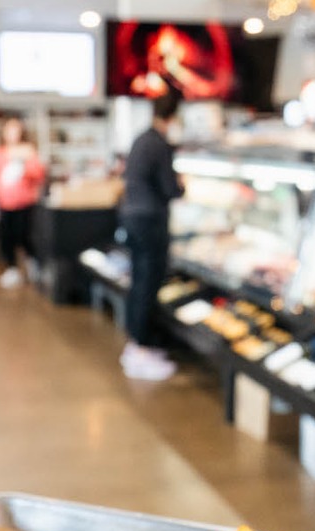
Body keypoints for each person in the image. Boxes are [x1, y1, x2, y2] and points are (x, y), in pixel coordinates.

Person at [120, 92, 185, 381]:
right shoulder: (159, 145)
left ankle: (137, 342)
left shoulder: (141, 139)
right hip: (150, 221)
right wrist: (182, 185)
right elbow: (171, 189)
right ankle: (141, 348)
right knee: (148, 282)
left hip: (132, 218)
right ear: (173, 116)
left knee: (138, 281)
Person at [0, 117, 46, 289]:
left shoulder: (28, 151)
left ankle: (33, 265)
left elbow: (39, 174)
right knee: (6, 238)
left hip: (25, 202)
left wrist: (24, 169)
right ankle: (12, 269)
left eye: (16, 129)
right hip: (4, 203)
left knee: (25, 235)